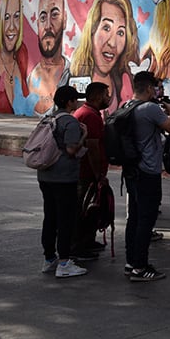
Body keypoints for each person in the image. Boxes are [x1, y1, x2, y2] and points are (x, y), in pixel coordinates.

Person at [124, 71, 170, 282]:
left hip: (132, 170)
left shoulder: (127, 106)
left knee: (135, 218)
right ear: (148, 88)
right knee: (146, 221)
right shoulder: (150, 108)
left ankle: (131, 262)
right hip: (148, 171)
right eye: (155, 88)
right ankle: (140, 266)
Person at [39, 85, 87, 278]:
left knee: (50, 217)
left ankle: (49, 259)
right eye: (75, 99)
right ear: (69, 102)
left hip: (45, 176)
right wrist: (84, 135)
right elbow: (71, 150)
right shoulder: (70, 122)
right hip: (64, 178)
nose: (78, 102)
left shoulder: (48, 119)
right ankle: (65, 262)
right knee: (66, 219)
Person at [69, 0, 139, 113]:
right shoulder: (73, 73)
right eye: (106, 28)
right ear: (92, 30)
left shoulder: (123, 80)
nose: (112, 43)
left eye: (121, 33)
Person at [71, 81, 109, 258]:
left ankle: (88, 241)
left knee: (91, 209)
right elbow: (92, 147)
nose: (108, 98)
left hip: (87, 172)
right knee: (84, 210)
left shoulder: (88, 113)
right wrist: (98, 174)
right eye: (106, 95)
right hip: (86, 172)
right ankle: (78, 247)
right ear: (98, 96)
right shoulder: (90, 115)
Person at [28, 0, 71, 115]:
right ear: (37, 25)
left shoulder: (72, 73)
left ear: (64, 20)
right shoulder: (26, 80)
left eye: (54, 15)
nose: (47, 26)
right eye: (43, 18)